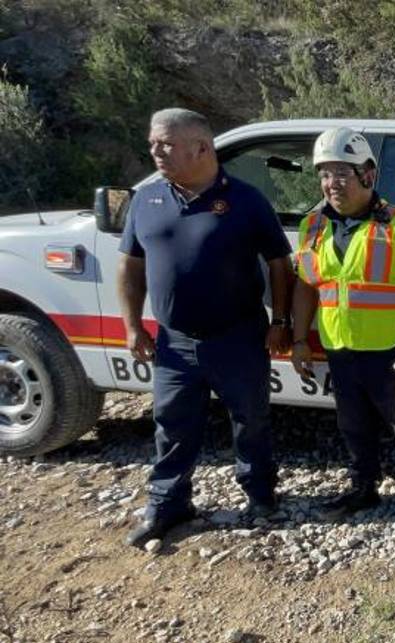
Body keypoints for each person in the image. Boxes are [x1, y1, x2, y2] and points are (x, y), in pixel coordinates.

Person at [118, 108, 293, 548]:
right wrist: (132, 325)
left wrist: (281, 320)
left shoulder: (247, 200)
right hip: (174, 344)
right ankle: (167, 504)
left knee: (250, 420)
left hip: (238, 337)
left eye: (166, 143)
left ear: (201, 147)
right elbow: (130, 266)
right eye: (153, 142)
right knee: (172, 424)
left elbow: (279, 263)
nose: (155, 151)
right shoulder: (147, 199)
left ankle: (260, 496)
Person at [289, 127, 395, 536]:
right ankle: (363, 489)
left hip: (392, 350)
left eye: (342, 173)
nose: (331, 183)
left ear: (367, 175)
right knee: (352, 426)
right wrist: (300, 339)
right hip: (341, 349)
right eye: (324, 174)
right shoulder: (312, 226)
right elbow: (306, 287)